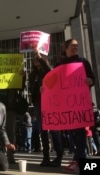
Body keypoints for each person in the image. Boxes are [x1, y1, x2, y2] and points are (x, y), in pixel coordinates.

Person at [55, 39, 95, 173]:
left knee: (79, 132)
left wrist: (90, 81)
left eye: (77, 46)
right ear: (65, 48)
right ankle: (84, 161)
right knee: (73, 133)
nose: (75, 48)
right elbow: (53, 82)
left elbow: (92, 79)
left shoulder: (83, 62)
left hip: (80, 102)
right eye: (72, 46)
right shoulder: (59, 64)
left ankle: (78, 161)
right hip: (66, 104)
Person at [29, 49, 63, 167]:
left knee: (53, 129)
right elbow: (30, 88)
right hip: (38, 102)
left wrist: (40, 58)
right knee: (42, 130)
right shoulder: (32, 74)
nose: (35, 60)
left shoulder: (48, 70)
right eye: (34, 58)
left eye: (37, 57)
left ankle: (59, 156)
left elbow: (50, 72)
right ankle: (46, 157)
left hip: (49, 102)